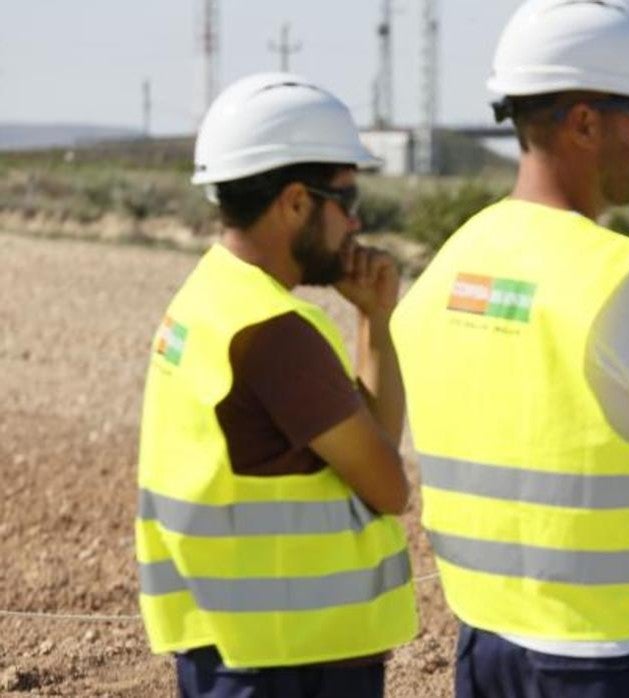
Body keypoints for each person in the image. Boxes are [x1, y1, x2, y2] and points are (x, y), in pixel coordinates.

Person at [390, 2, 629, 696]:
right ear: (585, 121)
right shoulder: (624, 279)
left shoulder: (451, 264)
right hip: (615, 660)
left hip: (485, 648)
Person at [134, 72, 418, 698]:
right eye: (346, 199)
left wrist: (374, 318)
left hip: (230, 650)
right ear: (295, 202)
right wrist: (377, 323)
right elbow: (388, 486)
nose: (355, 222)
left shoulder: (208, 298)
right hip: (294, 663)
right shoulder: (275, 334)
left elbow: (369, 452)